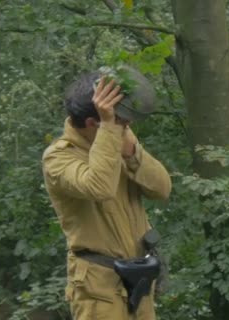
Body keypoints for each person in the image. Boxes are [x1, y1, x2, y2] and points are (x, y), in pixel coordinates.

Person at [42, 69, 172, 320]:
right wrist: (111, 130)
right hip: (99, 286)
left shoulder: (119, 138)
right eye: (121, 120)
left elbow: (163, 189)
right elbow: (99, 187)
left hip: (140, 276)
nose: (127, 125)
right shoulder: (58, 158)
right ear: (93, 123)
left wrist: (133, 153)